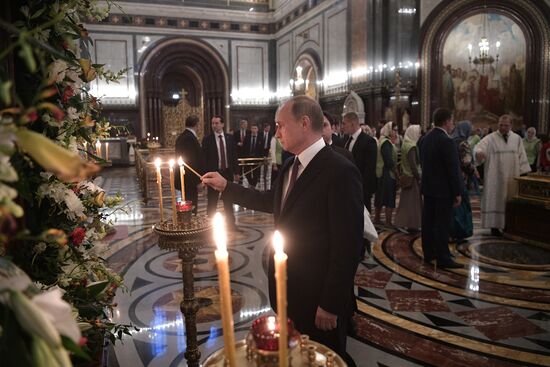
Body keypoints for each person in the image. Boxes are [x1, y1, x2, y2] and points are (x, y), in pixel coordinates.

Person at [202, 96, 363, 366]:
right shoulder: (291, 165)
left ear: (304, 123)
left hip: (319, 294)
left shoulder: (340, 170)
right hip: (290, 288)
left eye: (280, 125)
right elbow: (271, 201)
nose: (276, 133)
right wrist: (227, 187)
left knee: (324, 358)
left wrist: (331, 303)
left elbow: (348, 245)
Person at [418, 108, 463, 269]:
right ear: (446, 121)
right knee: (442, 224)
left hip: (428, 188)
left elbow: (422, 163)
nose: (453, 124)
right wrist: (457, 192)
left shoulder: (425, 139)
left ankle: (429, 253)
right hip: (443, 191)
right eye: (452, 121)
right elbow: (453, 169)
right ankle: (443, 258)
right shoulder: (447, 141)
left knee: (428, 222)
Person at [474, 114, 530, 237]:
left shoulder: (517, 139)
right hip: (495, 177)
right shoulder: (490, 138)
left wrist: (524, 173)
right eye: (500, 125)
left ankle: (509, 226)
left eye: (506, 125)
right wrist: (478, 153)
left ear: (511, 125)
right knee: (496, 200)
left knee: (509, 201)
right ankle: (494, 226)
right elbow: (478, 148)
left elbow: (522, 156)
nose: (503, 127)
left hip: (512, 177)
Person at [202, 115, 240, 230]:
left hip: (227, 172)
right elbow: (204, 158)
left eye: (217, 123)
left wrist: (236, 172)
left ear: (222, 124)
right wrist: (206, 176)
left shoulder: (230, 138)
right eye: (213, 123)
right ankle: (209, 226)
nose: (214, 125)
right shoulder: (207, 140)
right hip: (214, 173)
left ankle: (231, 224)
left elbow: (234, 156)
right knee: (212, 201)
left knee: (229, 200)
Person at [342, 112, 378, 213]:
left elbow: (369, 169)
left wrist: (363, 189)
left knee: (363, 218)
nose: (342, 127)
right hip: (348, 186)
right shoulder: (346, 140)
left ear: (353, 124)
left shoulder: (368, 141)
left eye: (344, 123)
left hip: (362, 187)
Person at [449, 121, 475, 243]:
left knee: (451, 207)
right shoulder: (463, 143)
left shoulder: (451, 139)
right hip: (461, 179)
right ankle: (459, 231)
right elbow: (466, 162)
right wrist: (473, 170)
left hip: (450, 178)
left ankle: (450, 231)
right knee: (461, 207)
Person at [394, 125, 422, 231]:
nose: (419, 135)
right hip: (411, 178)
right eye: (418, 133)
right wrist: (418, 177)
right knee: (412, 204)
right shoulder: (411, 146)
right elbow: (413, 164)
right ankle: (411, 224)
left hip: (406, 176)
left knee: (405, 203)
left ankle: (403, 222)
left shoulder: (405, 144)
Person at [174, 115, 204, 213]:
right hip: (189, 180)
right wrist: (197, 181)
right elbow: (191, 162)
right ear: (196, 124)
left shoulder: (182, 137)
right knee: (191, 204)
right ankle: (190, 225)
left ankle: (188, 222)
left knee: (187, 203)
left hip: (185, 178)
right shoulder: (189, 138)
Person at [374, 121, 398, 225]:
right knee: (389, 198)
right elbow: (388, 161)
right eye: (394, 130)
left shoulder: (382, 140)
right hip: (386, 173)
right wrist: (396, 173)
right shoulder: (386, 143)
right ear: (389, 130)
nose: (396, 132)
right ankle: (388, 222)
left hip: (382, 172)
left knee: (380, 197)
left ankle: (377, 218)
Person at [243, 123, 263, 188]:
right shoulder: (247, 137)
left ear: (257, 130)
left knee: (256, 172)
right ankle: (250, 182)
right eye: (253, 128)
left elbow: (262, 149)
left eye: (255, 128)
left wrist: (261, 158)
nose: (254, 130)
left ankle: (253, 185)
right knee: (247, 171)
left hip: (257, 158)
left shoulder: (261, 138)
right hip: (247, 157)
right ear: (251, 129)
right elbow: (244, 147)